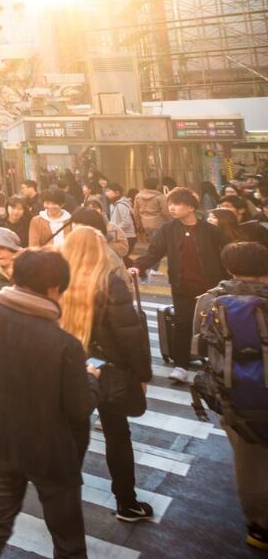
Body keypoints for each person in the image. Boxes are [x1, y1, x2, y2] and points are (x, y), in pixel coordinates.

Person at [0, 249, 98, 558]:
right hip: (51, 453)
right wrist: (92, 379)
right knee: (67, 539)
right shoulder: (65, 345)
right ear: (54, 289)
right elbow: (79, 408)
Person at [59, 226, 154, 523]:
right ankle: (126, 502)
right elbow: (130, 337)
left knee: (70, 436)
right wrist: (142, 375)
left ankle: (59, 499)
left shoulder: (55, 283)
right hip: (108, 372)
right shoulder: (110, 284)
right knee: (116, 434)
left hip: (68, 369)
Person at [191, 241, 268, 550]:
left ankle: (259, 527)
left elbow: (200, 346)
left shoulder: (209, 300)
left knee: (248, 462)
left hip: (234, 394)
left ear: (228, 268)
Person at [129, 187, 228, 382]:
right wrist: (137, 267)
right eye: (170, 204)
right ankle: (181, 366)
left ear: (190, 207)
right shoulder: (168, 229)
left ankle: (217, 364)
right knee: (182, 325)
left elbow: (226, 254)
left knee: (215, 326)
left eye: (176, 204)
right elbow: (154, 253)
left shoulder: (211, 230)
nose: (172, 208)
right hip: (182, 286)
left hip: (211, 289)